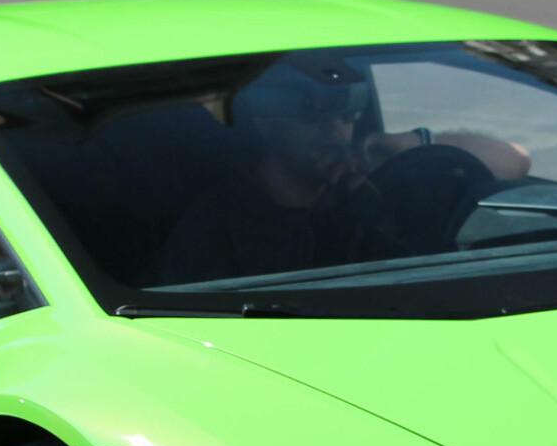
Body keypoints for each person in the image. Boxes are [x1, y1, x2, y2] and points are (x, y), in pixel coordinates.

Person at [159, 56, 529, 285]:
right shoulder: (218, 220)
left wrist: (405, 145)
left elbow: (515, 160)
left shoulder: (375, 185)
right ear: (268, 125)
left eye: (347, 119)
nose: (336, 134)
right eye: (315, 122)